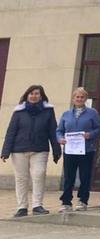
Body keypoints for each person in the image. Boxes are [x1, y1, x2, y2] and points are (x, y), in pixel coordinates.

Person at [2, 85, 61, 218]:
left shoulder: (48, 111)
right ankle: (22, 207)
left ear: (41, 96)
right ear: (27, 95)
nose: (34, 96)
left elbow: (53, 131)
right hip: (19, 150)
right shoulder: (18, 111)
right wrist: (5, 150)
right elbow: (11, 132)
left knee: (39, 175)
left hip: (39, 149)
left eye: (37, 94)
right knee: (21, 178)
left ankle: (37, 205)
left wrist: (56, 150)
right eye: (31, 93)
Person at [57, 87, 100, 213]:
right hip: (70, 150)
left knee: (85, 176)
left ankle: (83, 200)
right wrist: (60, 139)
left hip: (86, 150)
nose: (79, 99)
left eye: (82, 97)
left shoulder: (92, 113)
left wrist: (90, 134)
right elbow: (59, 130)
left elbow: (98, 129)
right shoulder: (66, 114)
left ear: (86, 99)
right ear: (73, 99)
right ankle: (66, 202)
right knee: (69, 177)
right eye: (77, 97)